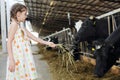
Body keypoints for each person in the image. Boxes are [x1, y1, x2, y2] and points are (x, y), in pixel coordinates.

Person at [6, 3, 56, 80]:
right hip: (17, 58)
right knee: (18, 76)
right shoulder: (14, 25)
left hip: (22, 56)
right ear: (18, 14)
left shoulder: (20, 25)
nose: (26, 16)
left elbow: (33, 37)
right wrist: (12, 60)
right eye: (25, 14)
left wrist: (47, 43)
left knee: (22, 76)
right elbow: (9, 42)